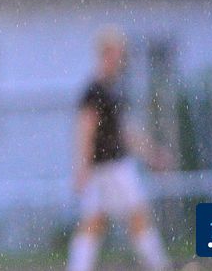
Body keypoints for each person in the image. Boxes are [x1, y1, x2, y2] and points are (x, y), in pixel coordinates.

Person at [67, 27, 172, 271]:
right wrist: (82, 167)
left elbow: (125, 131)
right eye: (116, 53)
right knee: (136, 215)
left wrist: (151, 153)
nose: (120, 59)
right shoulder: (95, 90)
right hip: (110, 167)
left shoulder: (112, 89)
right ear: (105, 53)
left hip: (109, 167)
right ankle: (159, 265)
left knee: (95, 222)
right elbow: (85, 129)